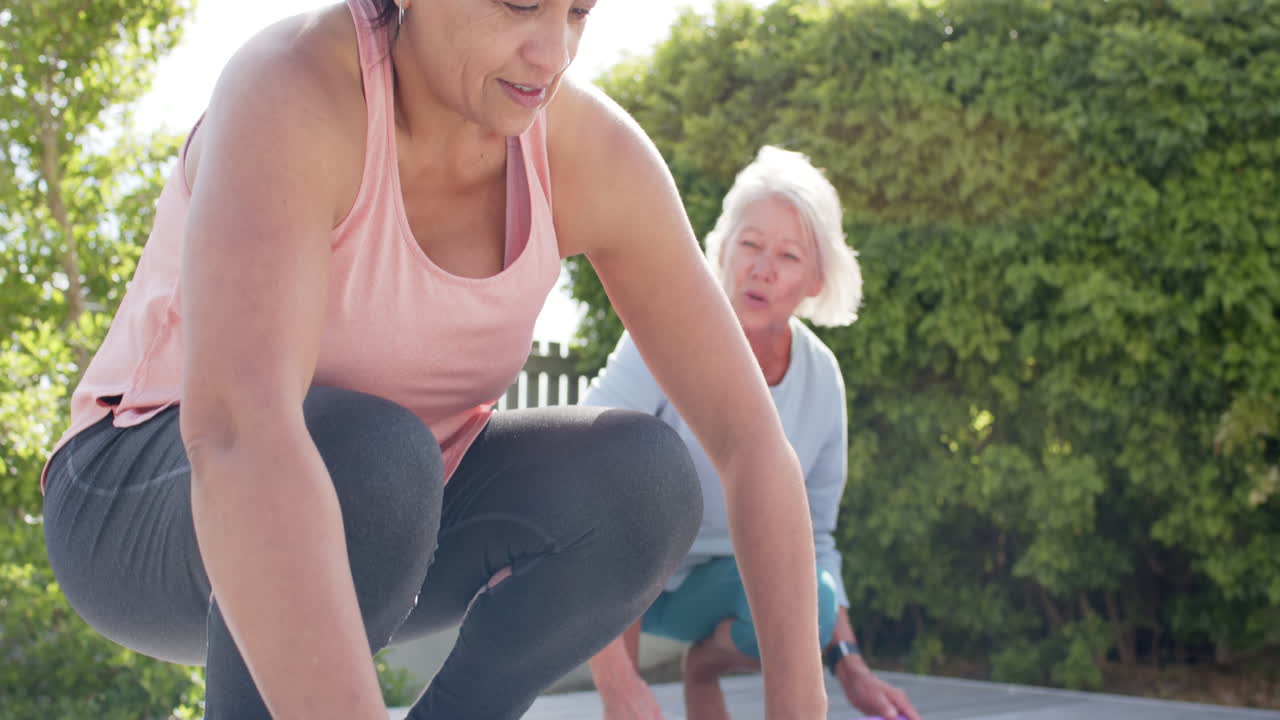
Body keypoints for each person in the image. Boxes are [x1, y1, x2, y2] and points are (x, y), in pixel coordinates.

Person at [39, 2, 833, 719]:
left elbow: (751, 443)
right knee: (375, 456)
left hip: (393, 505)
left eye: (578, 12)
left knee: (642, 483)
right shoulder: (294, 88)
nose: (553, 52)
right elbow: (241, 434)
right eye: (521, 4)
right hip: (144, 495)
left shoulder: (588, 152)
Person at [583, 146, 921, 720]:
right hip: (619, 579)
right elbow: (586, 467)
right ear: (723, 249)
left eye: (788, 255)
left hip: (720, 591)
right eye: (750, 244)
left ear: (816, 280)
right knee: (626, 458)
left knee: (813, 595)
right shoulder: (665, 329)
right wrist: (619, 687)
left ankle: (705, 664)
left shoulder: (821, 378)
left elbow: (814, 539)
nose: (763, 268)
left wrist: (851, 667)